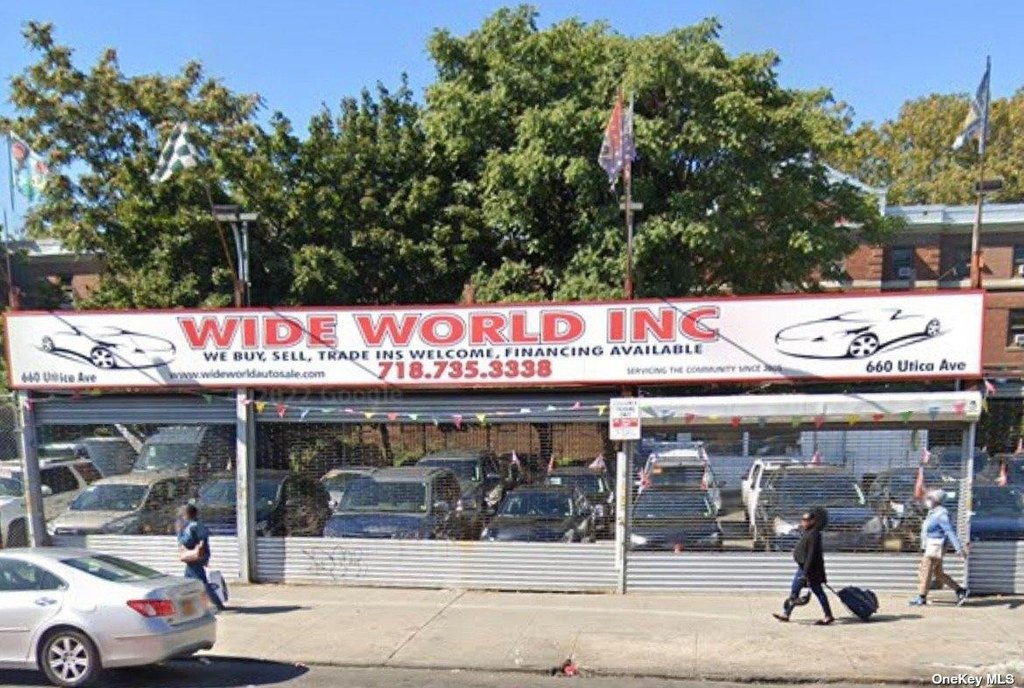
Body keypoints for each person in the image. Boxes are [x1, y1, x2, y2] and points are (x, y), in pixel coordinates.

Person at [773, 507, 834, 625]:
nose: (803, 522)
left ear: (813, 521)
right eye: (802, 519)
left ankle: (828, 615)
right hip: (803, 568)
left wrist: (805, 573)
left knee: (818, 591)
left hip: (810, 569)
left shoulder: (814, 535)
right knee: (794, 590)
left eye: (805, 520)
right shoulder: (808, 532)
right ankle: (786, 614)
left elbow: (811, 555)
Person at [909, 489, 969, 607]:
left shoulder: (941, 514)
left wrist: (959, 549)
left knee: (925, 570)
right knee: (938, 573)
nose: (927, 500)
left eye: (930, 498)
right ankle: (960, 590)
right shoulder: (932, 513)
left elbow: (950, 531)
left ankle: (921, 596)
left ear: (936, 500)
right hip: (931, 546)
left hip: (935, 548)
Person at [177, 504, 225, 611]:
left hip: (195, 559)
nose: (182, 517)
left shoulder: (194, 526)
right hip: (194, 558)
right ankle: (190, 606)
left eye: (183, 514)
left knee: (201, 584)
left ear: (188, 514)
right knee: (188, 583)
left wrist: (179, 532)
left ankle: (217, 604)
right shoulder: (194, 525)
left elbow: (192, 541)